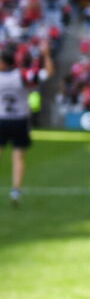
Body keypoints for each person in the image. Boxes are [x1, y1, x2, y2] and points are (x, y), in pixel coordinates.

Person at [1, 42, 53, 207]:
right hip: (20, 120)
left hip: (2, 119)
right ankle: (16, 190)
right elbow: (48, 73)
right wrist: (46, 54)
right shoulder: (23, 75)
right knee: (19, 157)